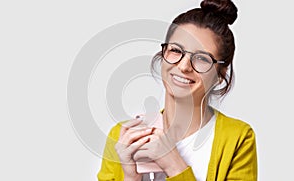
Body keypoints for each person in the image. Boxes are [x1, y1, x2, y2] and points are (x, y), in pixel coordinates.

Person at [97, 0, 257, 180]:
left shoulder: (238, 138)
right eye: (175, 50)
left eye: (202, 58)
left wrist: (173, 164)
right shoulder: (122, 136)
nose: (183, 66)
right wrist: (130, 176)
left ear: (221, 73)